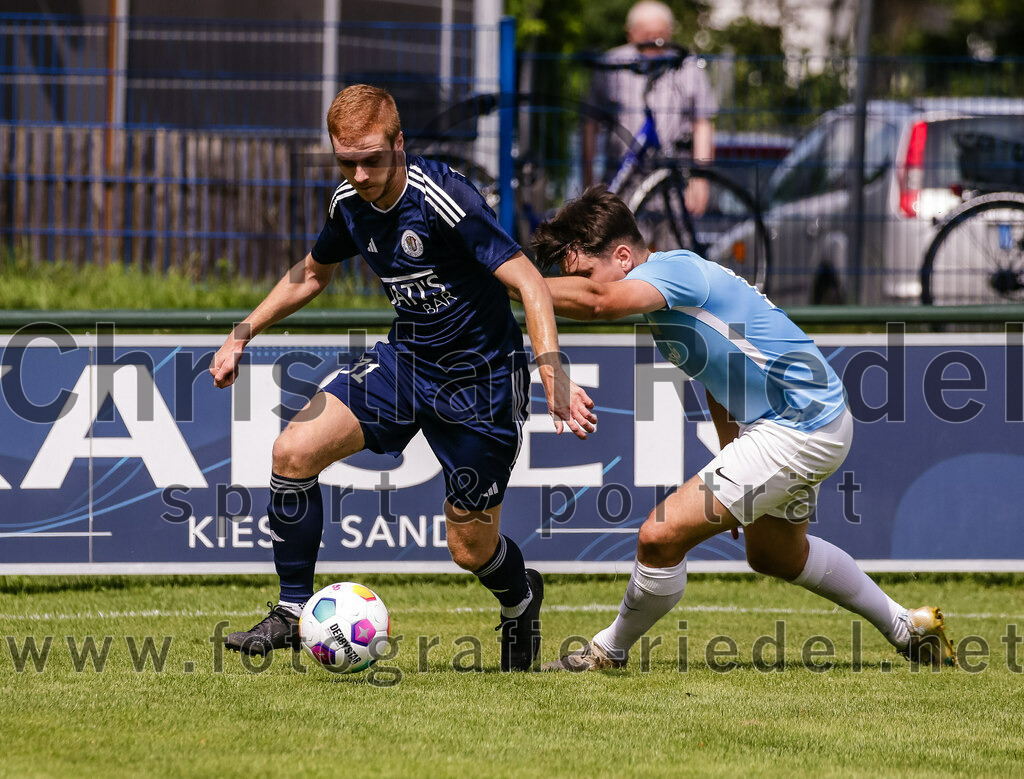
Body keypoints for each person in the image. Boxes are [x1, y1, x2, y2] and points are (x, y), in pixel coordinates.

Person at [209, 85, 597, 671]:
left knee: (470, 549)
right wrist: (243, 332)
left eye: (372, 158)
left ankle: (520, 597)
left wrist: (550, 371)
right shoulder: (349, 201)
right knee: (293, 450)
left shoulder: (443, 197)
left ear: (399, 143)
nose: (360, 174)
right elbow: (314, 274)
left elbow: (530, 282)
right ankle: (291, 614)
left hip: (480, 384)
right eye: (346, 160)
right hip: (406, 364)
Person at [525, 186, 956, 671]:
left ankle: (607, 651)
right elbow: (718, 381)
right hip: (808, 422)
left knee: (658, 536)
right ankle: (908, 626)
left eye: (582, 272)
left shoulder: (673, 271)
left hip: (800, 425)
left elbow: (599, 302)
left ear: (623, 256)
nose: (578, 286)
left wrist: (512, 278)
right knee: (775, 555)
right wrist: (733, 467)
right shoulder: (666, 297)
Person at [584, 0, 717, 216]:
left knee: (676, 245)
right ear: (630, 33)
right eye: (646, 37)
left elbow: (703, 123)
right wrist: (588, 179)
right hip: (622, 184)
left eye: (661, 36)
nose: (655, 44)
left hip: (674, 182)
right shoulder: (611, 64)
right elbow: (589, 125)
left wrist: (700, 179)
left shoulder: (688, 66)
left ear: (671, 33)